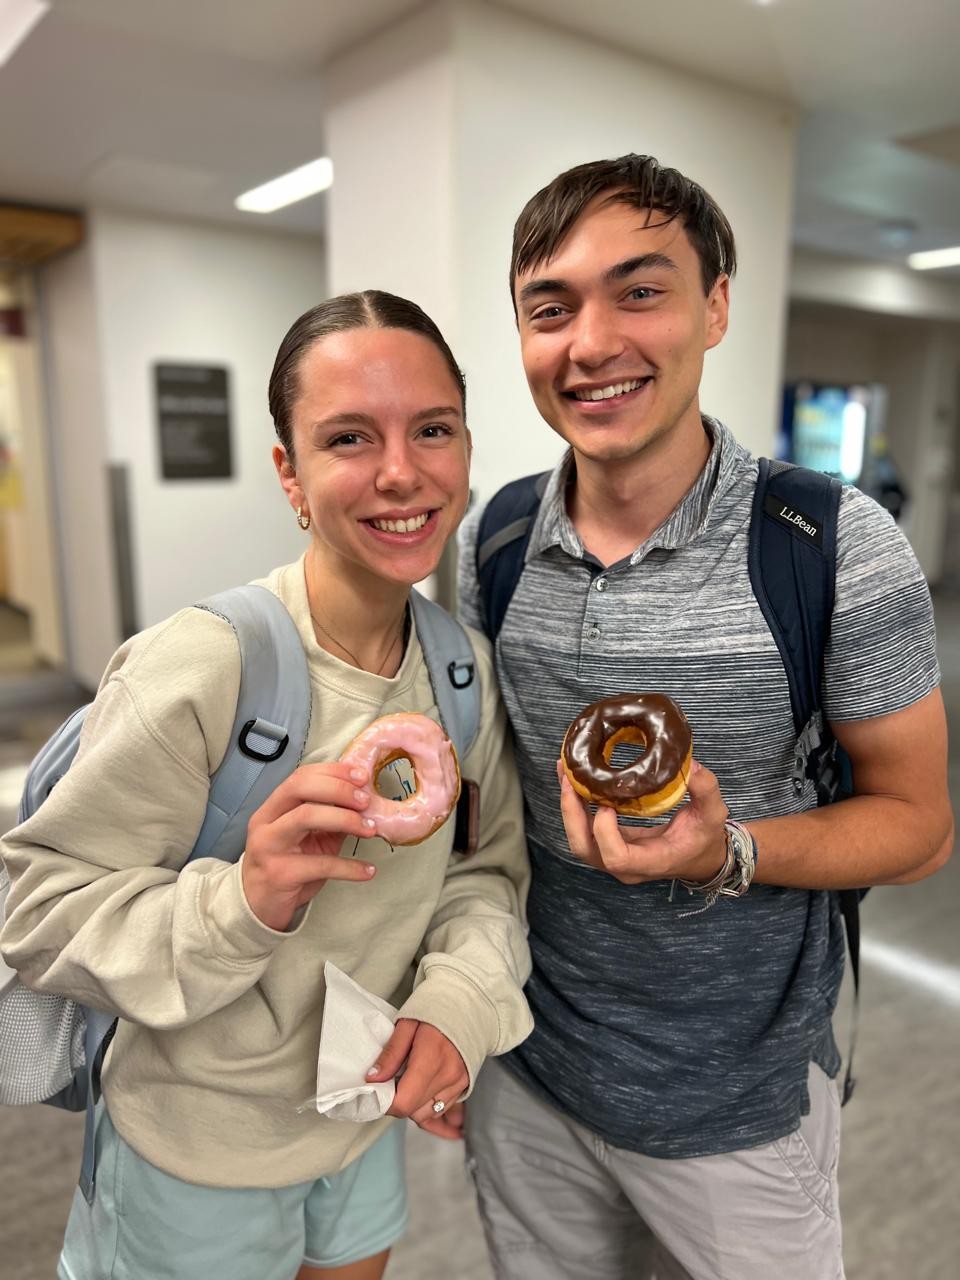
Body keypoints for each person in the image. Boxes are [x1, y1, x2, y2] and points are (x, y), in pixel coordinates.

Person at [457, 155, 954, 1280]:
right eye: (551, 306)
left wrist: (726, 851)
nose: (591, 342)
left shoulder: (833, 546)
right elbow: (482, 799)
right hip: (527, 1070)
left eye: (640, 289)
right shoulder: (488, 541)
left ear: (716, 305)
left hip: (741, 1103)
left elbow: (920, 826)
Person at [0, 290, 533, 1280]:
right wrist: (242, 898)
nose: (401, 471)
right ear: (289, 471)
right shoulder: (204, 668)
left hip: (359, 1120)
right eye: (347, 437)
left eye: (432, 429)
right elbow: (38, 905)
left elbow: (486, 875)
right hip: (192, 1150)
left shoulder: (464, 672)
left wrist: (457, 1000)